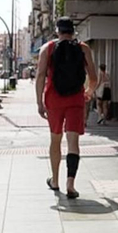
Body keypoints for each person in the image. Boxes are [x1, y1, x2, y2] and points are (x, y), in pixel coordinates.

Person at [35, 17, 98, 199]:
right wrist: (88, 92)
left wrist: (39, 102)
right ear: (73, 31)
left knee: (55, 140)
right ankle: (71, 183)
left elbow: (40, 76)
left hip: (54, 100)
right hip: (75, 100)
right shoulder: (83, 48)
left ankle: (55, 180)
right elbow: (93, 77)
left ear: (57, 31)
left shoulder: (48, 48)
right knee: (73, 142)